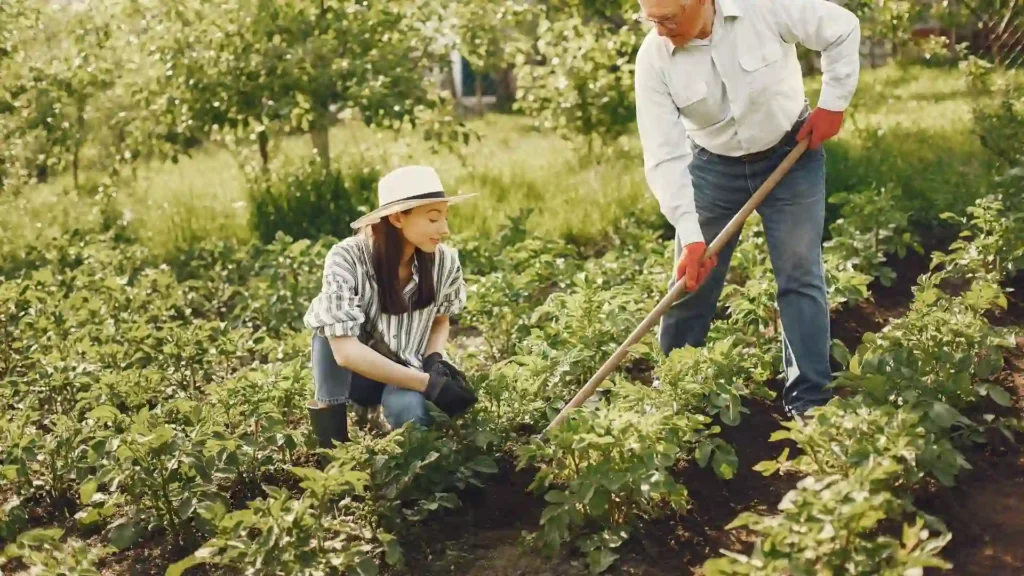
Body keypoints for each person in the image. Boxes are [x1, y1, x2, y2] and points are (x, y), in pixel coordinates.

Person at [633, 0, 861, 416]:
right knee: (691, 280)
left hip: (790, 154)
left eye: (669, 18)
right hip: (712, 168)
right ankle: (674, 397)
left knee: (799, 273)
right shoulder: (654, 59)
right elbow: (663, 154)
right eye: (652, 20)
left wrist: (833, 102)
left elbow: (842, 27)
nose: (661, 30)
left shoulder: (764, 7)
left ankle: (810, 401)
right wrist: (690, 234)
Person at [302, 165, 479, 452]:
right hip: (357, 374)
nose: (445, 229)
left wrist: (433, 360)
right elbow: (345, 352)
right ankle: (331, 450)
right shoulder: (347, 258)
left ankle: (416, 472)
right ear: (398, 217)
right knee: (327, 331)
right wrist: (428, 384)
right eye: (433, 218)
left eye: (445, 217)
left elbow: (440, 320)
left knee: (410, 413)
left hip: (408, 367)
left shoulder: (445, 262)